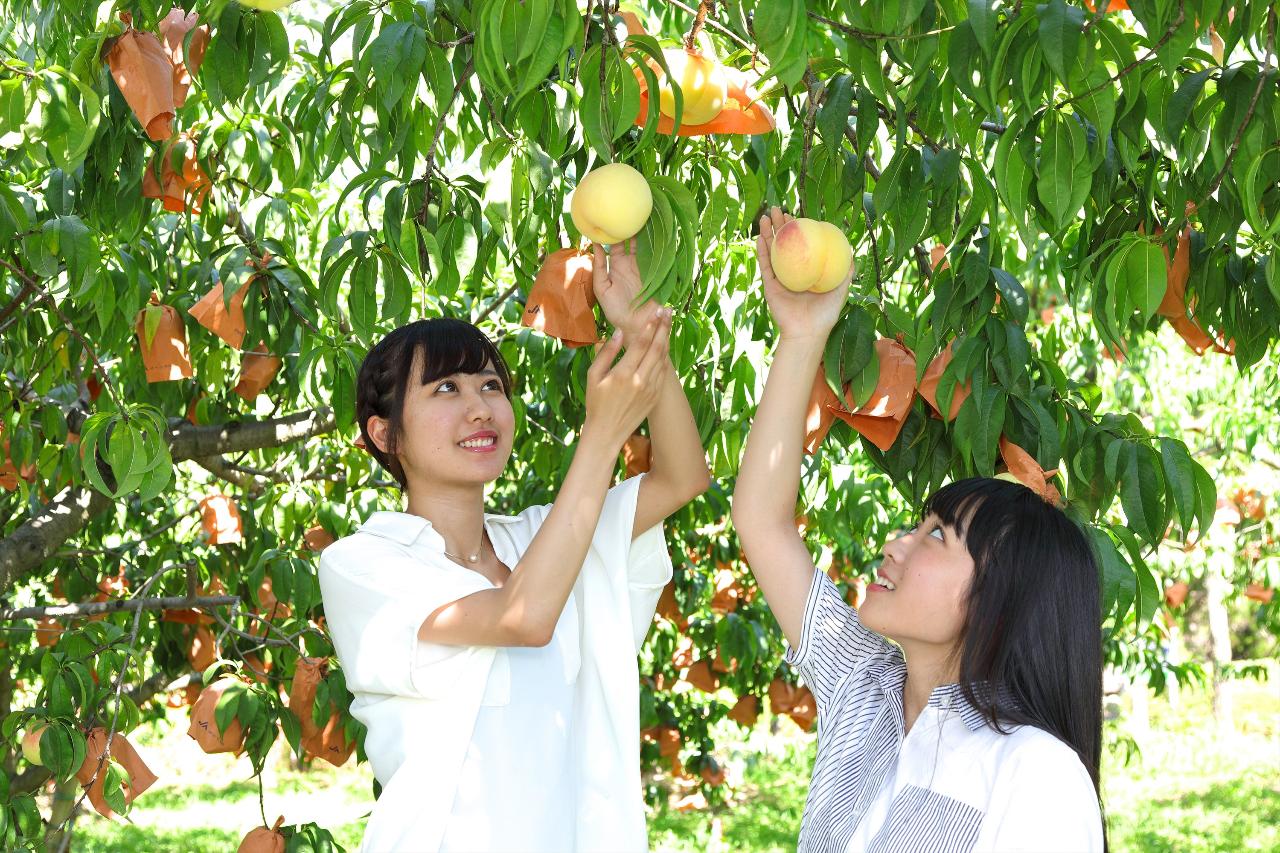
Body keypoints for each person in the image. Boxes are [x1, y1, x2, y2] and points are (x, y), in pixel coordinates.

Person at [731, 207, 1106, 852]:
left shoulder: (1033, 770)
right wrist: (801, 337)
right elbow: (763, 521)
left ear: (1005, 593)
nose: (894, 544)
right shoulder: (863, 692)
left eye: (937, 536)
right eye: (920, 524)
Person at [318, 241, 710, 852]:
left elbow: (681, 477)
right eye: (446, 390)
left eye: (491, 386)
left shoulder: (539, 536)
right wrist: (600, 437)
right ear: (385, 433)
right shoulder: (364, 563)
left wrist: (642, 334)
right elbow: (521, 617)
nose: (480, 408)